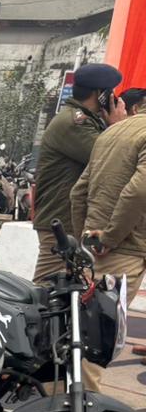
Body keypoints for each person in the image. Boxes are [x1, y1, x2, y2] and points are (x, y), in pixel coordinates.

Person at [69, 105, 146, 389]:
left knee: (82, 327)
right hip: (124, 247)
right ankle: (79, 408)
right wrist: (110, 237)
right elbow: (138, 191)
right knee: (97, 336)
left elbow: (78, 192)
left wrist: (85, 240)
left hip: (101, 245)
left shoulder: (111, 133)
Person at [32, 63, 126, 281]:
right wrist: (118, 127)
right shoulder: (74, 122)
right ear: (100, 94)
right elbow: (109, 159)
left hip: (70, 219)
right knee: (46, 285)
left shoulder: (88, 120)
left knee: (68, 288)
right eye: (110, 92)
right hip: (61, 220)